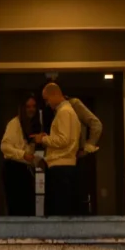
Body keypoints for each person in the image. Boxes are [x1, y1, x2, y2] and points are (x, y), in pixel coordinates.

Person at [36, 79, 86, 216]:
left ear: (54, 95)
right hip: (67, 165)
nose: (47, 104)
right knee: (64, 208)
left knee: (58, 210)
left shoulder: (64, 112)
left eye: (47, 100)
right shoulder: (69, 112)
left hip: (60, 166)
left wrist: (44, 139)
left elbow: (63, 140)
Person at [0, 95, 43, 216]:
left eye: (33, 106)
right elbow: (4, 147)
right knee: (18, 207)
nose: (31, 109)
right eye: (28, 106)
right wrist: (23, 155)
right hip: (13, 169)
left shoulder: (32, 126)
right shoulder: (15, 124)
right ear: (23, 108)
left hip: (25, 170)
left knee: (28, 208)